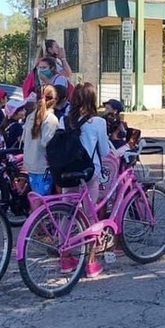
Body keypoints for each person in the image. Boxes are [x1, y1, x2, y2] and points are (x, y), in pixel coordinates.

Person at [61, 82, 112, 278]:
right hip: (88, 174)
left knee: (67, 213)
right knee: (91, 215)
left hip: (67, 173)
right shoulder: (97, 122)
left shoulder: (65, 120)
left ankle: (65, 258)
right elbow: (105, 151)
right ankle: (91, 262)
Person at [23, 85, 59, 197]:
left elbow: (24, 139)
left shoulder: (30, 116)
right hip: (43, 165)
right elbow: (47, 143)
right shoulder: (51, 119)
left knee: (35, 197)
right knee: (43, 199)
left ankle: (34, 214)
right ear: (55, 100)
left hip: (30, 163)